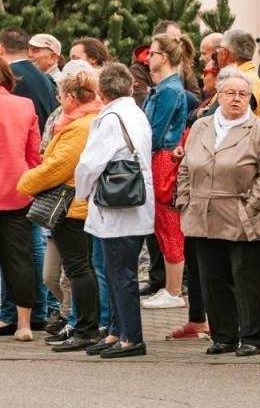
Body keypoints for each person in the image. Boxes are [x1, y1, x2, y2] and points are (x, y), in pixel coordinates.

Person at [176, 68, 260, 357]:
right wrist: (185, 200)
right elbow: (186, 166)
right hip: (203, 214)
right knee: (213, 278)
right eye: (230, 93)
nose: (237, 99)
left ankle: (251, 337)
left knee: (248, 280)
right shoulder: (201, 126)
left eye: (243, 94)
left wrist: (250, 208)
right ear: (218, 96)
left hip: (243, 216)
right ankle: (223, 336)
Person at [76, 62, 155, 359]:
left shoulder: (109, 118)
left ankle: (131, 337)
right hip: (136, 202)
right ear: (131, 86)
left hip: (117, 207)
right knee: (117, 272)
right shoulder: (136, 113)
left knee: (119, 274)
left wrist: (81, 192)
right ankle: (115, 332)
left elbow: (89, 164)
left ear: (101, 91)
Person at [24, 67, 102, 349]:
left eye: (60, 95)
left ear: (70, 96)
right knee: (79, 269)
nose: (58, 99)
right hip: (75, 203)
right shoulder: (83, 120)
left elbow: (58, 166)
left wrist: (25, 183)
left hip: (72, 206)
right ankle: (82, 325)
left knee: (78, 269)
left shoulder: (80, 125)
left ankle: (86, 329)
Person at [141, 33, 196, 311]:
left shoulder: (168, 90)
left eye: (152, 53)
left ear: (163, 57)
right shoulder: (167, 88)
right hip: (162, 158)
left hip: (161, 160)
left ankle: (174, 290)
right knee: (164, 226)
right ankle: (171, 287)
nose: (148, 58)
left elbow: (154, 132)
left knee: (169, 225)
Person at [0, 61, 42, 340]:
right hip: (17, 190)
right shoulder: (25, 105)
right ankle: (24, 324)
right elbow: (34, 154)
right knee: (20, 259)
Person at [4, 27, 55, 130]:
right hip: (40, 141)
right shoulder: (45, 78)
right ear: (27, 50)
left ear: (1, 49)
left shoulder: (6, 75)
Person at [215, 29, 260, 121]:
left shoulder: (241, 82)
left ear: (225, 53)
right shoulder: (250, 78)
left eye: (218, 49)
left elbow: (217, 117)